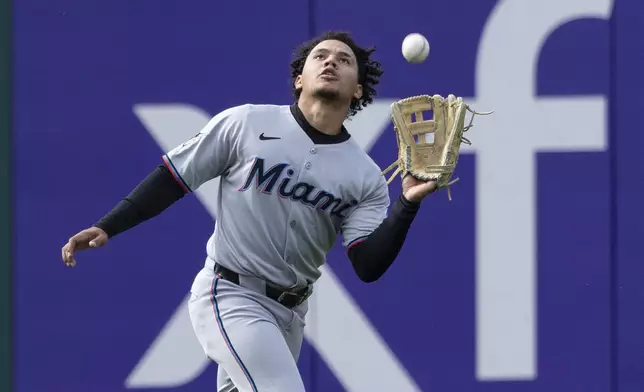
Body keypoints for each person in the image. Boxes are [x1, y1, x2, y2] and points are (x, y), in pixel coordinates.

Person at [61, 30, 437, 392]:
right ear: (299, 79)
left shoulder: (366, 176)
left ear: (358, 89)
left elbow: (367, 265)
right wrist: (108, 225)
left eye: (344, 60)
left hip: (290, 317)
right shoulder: (246, 123)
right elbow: (174, 178)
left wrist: (407, 203)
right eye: (320, 56)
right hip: (231, 295)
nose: (330, 63)